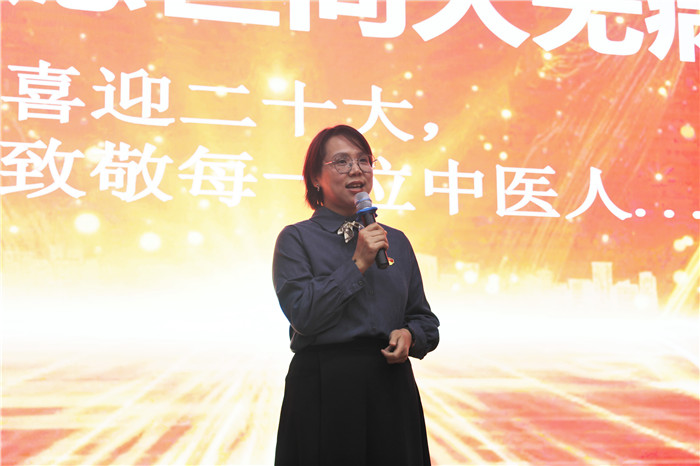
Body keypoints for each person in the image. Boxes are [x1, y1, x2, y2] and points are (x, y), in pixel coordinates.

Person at [272, 124, 440, 466]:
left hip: (391, 387)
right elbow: (304, 315)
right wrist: (358, 263)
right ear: (315, 177)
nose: (356, 170)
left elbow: (425, 320)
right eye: (342, 161)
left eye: (364, 160)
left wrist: (410, 335)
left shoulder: (396, 241)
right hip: (325, 386)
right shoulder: (296, 239)